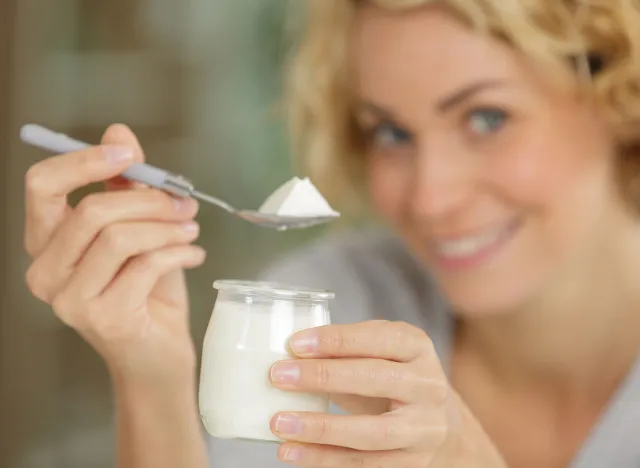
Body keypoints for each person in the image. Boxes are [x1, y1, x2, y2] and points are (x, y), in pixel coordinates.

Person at [23, 0, 640, 467]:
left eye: (487, 118)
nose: (431, 197)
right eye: (390, 132)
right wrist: (152, 380)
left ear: (619, 95)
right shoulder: (326, 305)